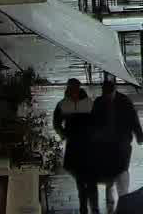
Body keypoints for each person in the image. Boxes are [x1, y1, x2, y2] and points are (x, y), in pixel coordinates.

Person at [89, 77, 143, 207]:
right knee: (109, 168)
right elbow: (92, 122)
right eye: (104, 93)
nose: (106, 96)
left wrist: (139, 135)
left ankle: (123, 196)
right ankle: (110, 193)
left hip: (122, 141)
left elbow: (133, 119)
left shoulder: (124, 101)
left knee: (122, 168)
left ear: (113, 91)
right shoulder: (99, 102)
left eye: (108, 93)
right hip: (105, 143)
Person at [52, 79, 98, 213]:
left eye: (75, 88)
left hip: (88, 145)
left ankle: (93, 207)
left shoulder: (88, 103)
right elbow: (57, 123)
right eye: (71, 88)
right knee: (80, 179)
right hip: (75, 145)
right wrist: (64, 134)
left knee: (90, 178)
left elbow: (97, 120)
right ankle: (84, 206)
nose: (73, 91)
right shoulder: (63, 104)